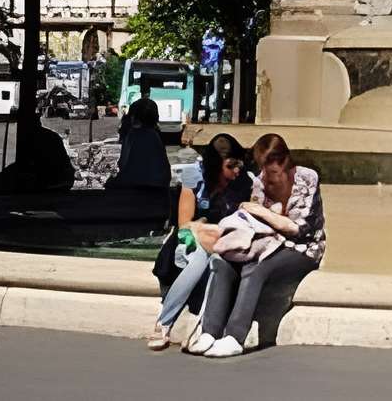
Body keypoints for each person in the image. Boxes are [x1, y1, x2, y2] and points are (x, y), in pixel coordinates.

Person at [188, 132, 324, 359]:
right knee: (223, 262)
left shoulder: (307, 178)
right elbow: (257, 221)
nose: (266, 179)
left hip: (302, 248)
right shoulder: (260, 181)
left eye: (272, 172)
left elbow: (299, 229)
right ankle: (209, 332)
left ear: (285, 163)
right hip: (267, 241)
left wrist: (262, 212)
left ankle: (235, 336)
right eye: (263, 170)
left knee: (259, 266)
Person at [148, 134, 252, 352]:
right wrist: (204, 224)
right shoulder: (193, 176)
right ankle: (164, 322)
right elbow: (185, 223)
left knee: (216, 262)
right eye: (231, 166)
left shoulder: (243, 182)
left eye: (239, 165)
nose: (236, 171)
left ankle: (194, 326)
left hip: (222, 239)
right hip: (192, 238)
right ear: (215, 164)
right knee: (200, 260)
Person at [109, 93, 171, 192]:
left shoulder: (137, 135)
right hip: (156, 189)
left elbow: (126, 168)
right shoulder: (154, 135)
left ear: (133, 117)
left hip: (141, 192)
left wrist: (112, 182)